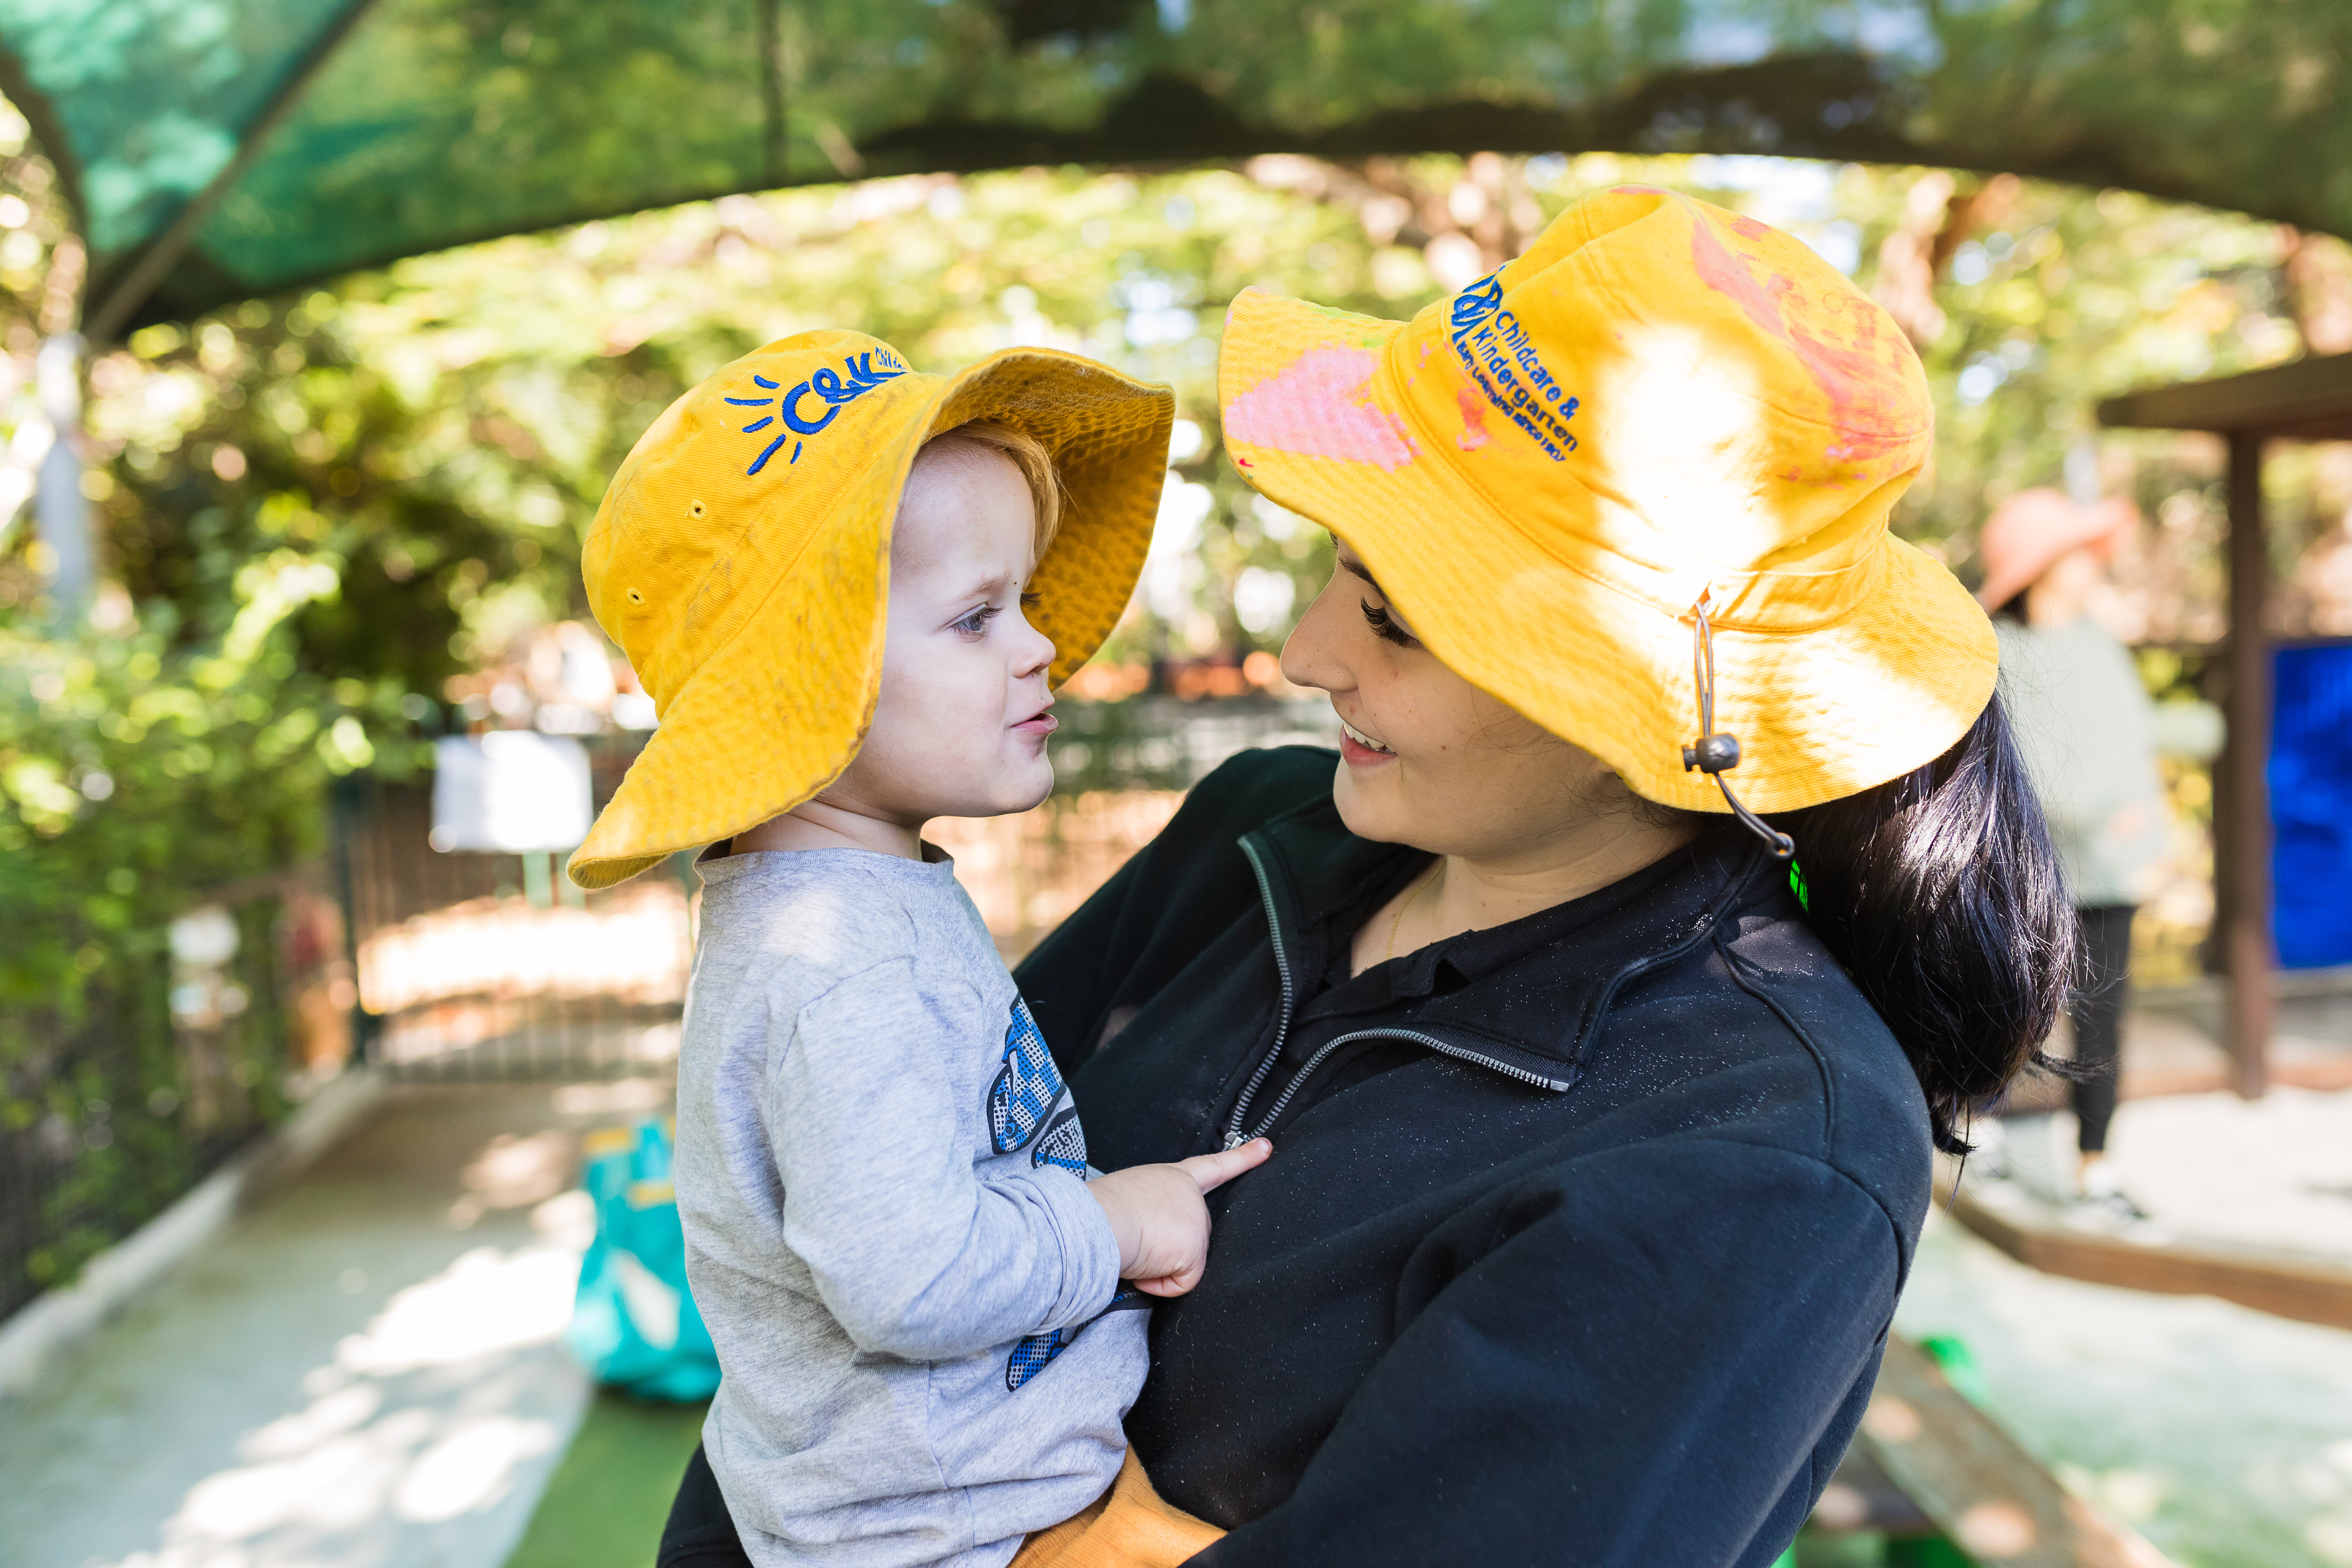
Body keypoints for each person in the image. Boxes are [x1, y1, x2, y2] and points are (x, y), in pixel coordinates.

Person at [659, 189, 2078, 1567]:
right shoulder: (1255, 833)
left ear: (1625, 703)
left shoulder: (1753, 1155)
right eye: (1341, 564)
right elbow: (847, 1275)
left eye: (1397, 616)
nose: (1306, 651)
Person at [569, 330, 1269, 1568]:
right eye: (976, 616)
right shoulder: (841, 958)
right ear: (812, 684)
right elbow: (914, 1281)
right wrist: (1121, 1223)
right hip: (957, 1537)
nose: (1039, 643)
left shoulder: (843, 897)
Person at [1978, 488, 2168, 1220]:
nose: (2093, 562)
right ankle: (1975, 1124)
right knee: (2004, 1002)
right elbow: (2031, 771)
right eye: (2076, 550)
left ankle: (2096, 1169)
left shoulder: (2100, 644)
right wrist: (2103, 813)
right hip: (2027, 865)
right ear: (2045, 566)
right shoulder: (1997, 648)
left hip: (2111, 872)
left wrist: (2146, 836)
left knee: (2105, 1020)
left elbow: (2132, 753)